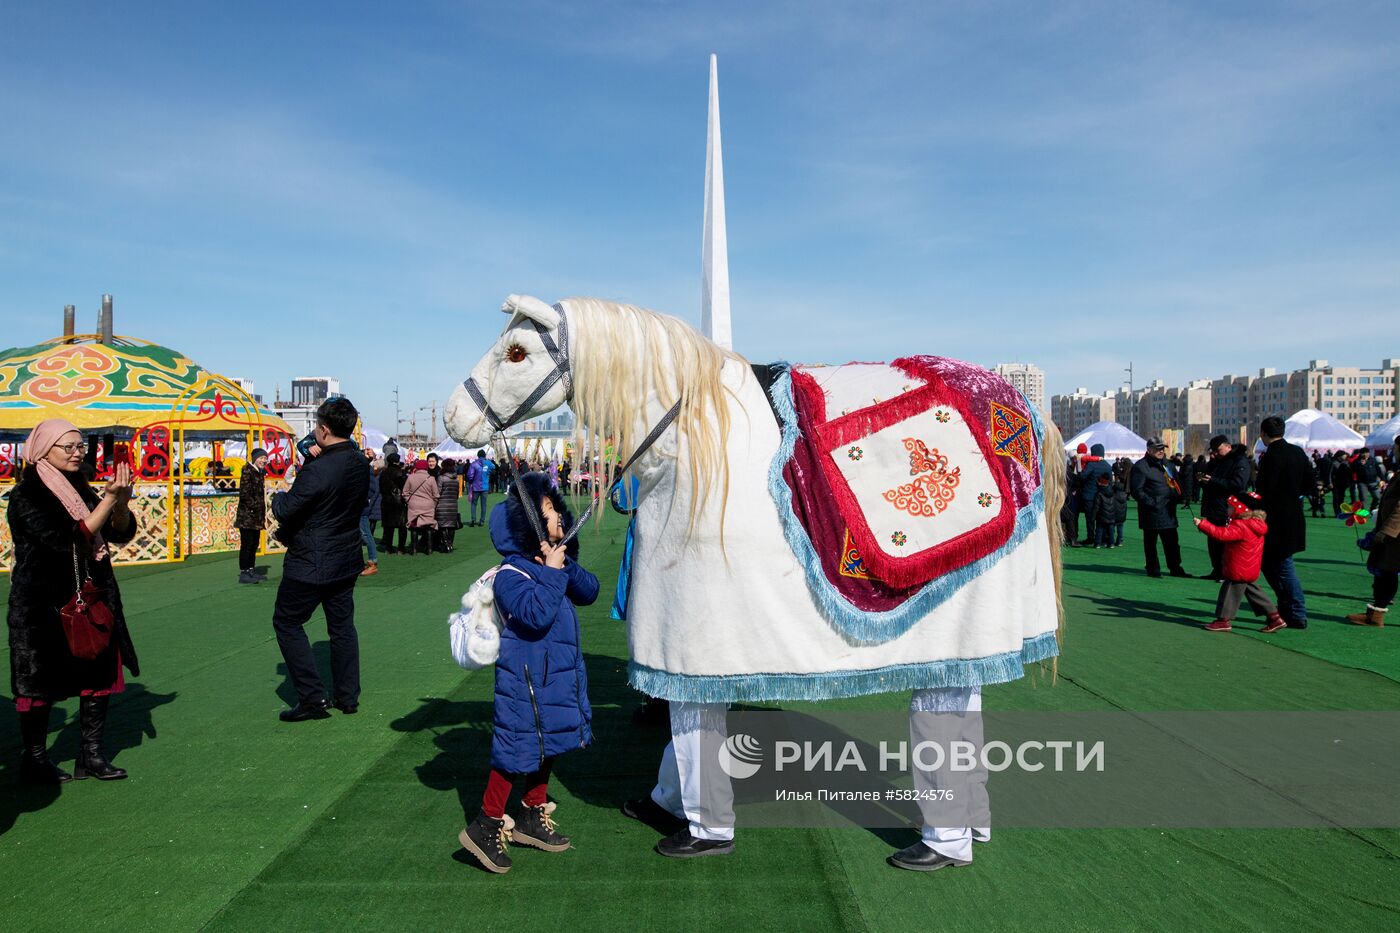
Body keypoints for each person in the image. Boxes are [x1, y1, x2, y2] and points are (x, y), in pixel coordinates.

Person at [458, 473, 599, 874]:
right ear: (528, 528)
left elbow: (589, 591)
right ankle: (485, 824)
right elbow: (535, 614)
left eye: (557, 510)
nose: (559, 517)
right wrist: (553, 573)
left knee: (548, 743)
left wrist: (563, 562)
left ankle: (530, 814)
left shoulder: (553, 563)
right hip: (526, 681)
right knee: (514, 751)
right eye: (549, 512)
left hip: (554, 677)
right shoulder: (509, 574)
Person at [8, 419, 140, 782]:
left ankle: (91, 756)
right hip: (43, 602)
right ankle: (34, 761)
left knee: (98, 671)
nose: (78, 452)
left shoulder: (80, 488)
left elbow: (118, 532)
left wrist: (120, 504)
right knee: (38, 682)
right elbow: (68, 539)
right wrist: (111, 498)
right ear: (42, 451)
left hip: (90, 596)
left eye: (80, 446)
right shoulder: (26, 495)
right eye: (68, 447)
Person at [269, 398, 372, 722]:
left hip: (311, 559)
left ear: (324, 430)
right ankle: (348, 696)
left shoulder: (317, 469)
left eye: (316, 427)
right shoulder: (358, 463)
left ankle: (312, 697)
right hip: (345, 556)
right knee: (342, 626)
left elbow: (287, 509)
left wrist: (278, 496)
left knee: (287, 622)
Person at [1194, 494, 1287, 633]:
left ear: (1239, 509)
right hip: (1248, 567)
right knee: (1254, 592)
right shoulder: (1255, 524)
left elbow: (1222, 534)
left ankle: (1223, 620)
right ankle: (1275, 617)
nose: (1227, 510)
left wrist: (1203, 524)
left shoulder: (1241, 525)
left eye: (1229, 507)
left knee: (1229, 591)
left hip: (1239, 566)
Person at [1255, 416, 1313, 629]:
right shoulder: (1297, 452)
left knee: (1282, 566)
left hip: (1276, 519)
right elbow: (1310, 481)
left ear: (1263, 433)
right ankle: (1286, 607)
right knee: (1274, 564)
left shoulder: (1271, 455)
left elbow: (1265, 489)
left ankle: (1296, 611)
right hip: (1294, 516)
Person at [1348, 437, 1400, 627]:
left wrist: (1386, 531)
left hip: (1395, 535)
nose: (1393, 451)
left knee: (1387, 571)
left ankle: (1376, 615)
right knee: (1386, 572)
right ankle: (1375, 614)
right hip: (1393, 533)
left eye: (1396, 448)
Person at [1129, 437, 1187, 578]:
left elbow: (1177, 483)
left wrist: (1180, 495)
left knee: (1172, 543)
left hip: (1168, 511)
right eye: (1157, 449)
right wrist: (1152, 503)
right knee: (1151, 543)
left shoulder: (1168, 465)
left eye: (1162, 448)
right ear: (1149, 450)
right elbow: (1137, 490)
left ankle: (1175, 568)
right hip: (1151, 512)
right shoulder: (1141, 467)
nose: (1161, 451)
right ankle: (1153, 568)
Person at [1197, 435, 1250, 581]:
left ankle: (1226, 572)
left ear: (1228, 446)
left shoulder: (1240, 461)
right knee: (1213, 543)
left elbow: (1238, 484)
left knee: (1225, 544)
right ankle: (1217, 570)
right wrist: (1202, 480)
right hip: (1214, 507)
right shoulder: (1216, 462)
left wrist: (1213, 480)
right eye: (1213, 451)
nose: (1215, 453)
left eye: (1218, 450)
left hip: (1228, 508)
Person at [235, 448, 269, 585]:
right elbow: (245, 494)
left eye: (265, 458)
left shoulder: (258, 472)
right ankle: (244, 572)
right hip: (247, 516)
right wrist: (255, 507)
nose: (264, 461)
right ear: (255, 458)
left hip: (256, 516)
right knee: (247, 544)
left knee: (254, 543)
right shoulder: (247, 470)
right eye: (261, 458)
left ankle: (251, 569)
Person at [1077, 444, 1112, 545]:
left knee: (1090, 518)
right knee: (1102, 518)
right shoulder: (1108, 466)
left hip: (1090, 496)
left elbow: (1082, 477)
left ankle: (1091, 538)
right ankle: (1103, 538)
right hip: (1103, 497)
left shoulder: (1091, 464)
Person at [403, 460, 439, 556]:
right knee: (429, 526)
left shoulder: (410, 477)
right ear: (426, 467)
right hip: (428, 504)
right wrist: (433, 504)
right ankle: (429, 549)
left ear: (416, 467)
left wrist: (409, 501)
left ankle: (414, 549)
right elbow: (436, 495)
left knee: (413, 526)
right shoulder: (431, 479)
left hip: (414, 505)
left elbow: (405, 492)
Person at [378, 453, 408, 554]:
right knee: (402, 526)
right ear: (397, 461)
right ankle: (400, 548)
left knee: (388, 527)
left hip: (386, 501)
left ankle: (388, 548)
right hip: (399, 501)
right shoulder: (400, 472)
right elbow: (405, 487)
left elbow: (381, 487)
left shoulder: (383, 473)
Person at [1091, 473, 1127, 548]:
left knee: (1099, 529)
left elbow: (1096, 506)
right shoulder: (1113, 493)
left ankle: (1097, 543)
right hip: (1111, 515)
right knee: (1111, 530)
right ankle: (1111, 543)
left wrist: (1093, 516)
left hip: (1102, 514)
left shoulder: (1099, 493)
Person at [361, 452, 382, 576]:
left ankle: (372, 562)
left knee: (365, 534)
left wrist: (363, 497)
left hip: (360, 507)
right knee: (359, 535)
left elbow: (373, 488)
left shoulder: (365, 469)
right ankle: (359, 562)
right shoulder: (360, 468)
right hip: (354, 507)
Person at [435, 458, 462, 552]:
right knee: (451, 526)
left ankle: (446, 544)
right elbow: (457, 493)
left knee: (442, 526)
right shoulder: (456, 479)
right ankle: (450, 544)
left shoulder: (441, 478)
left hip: (442, 504)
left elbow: (437, 492)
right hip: (453, 505)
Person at [466, 450, 493, 527]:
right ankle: (482, 521)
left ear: (478, 455)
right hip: (485, 487)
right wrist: (488, 472)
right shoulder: (488, 463)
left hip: (476, 487)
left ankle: (473, 519)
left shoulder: (474, 464)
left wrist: (471, 481)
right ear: (484, 455)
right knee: (483, 505)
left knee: (474, 504)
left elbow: (470, 475)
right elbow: (494, 467)